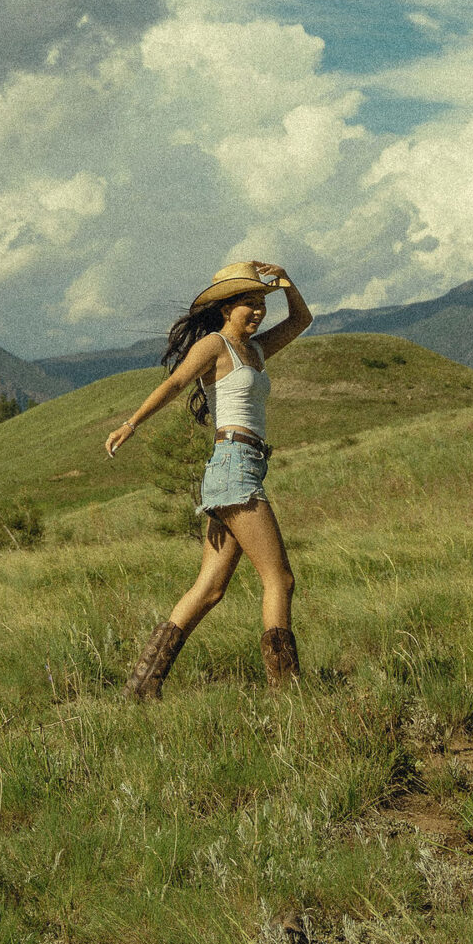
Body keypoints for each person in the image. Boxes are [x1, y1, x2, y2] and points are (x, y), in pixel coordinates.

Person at [105, 258, 313, 698]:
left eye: (261, 304)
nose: (257, 313)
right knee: (281, 580)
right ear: (225, 308)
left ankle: (142, 686)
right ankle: (288, 693)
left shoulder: (255, 350)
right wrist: (132, 423)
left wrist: (286, 280)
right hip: (233, 465)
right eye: (247, 305)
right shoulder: (215, 346)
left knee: (210, 588)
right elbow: (176, 384)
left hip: (243, 465)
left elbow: (302, 319)